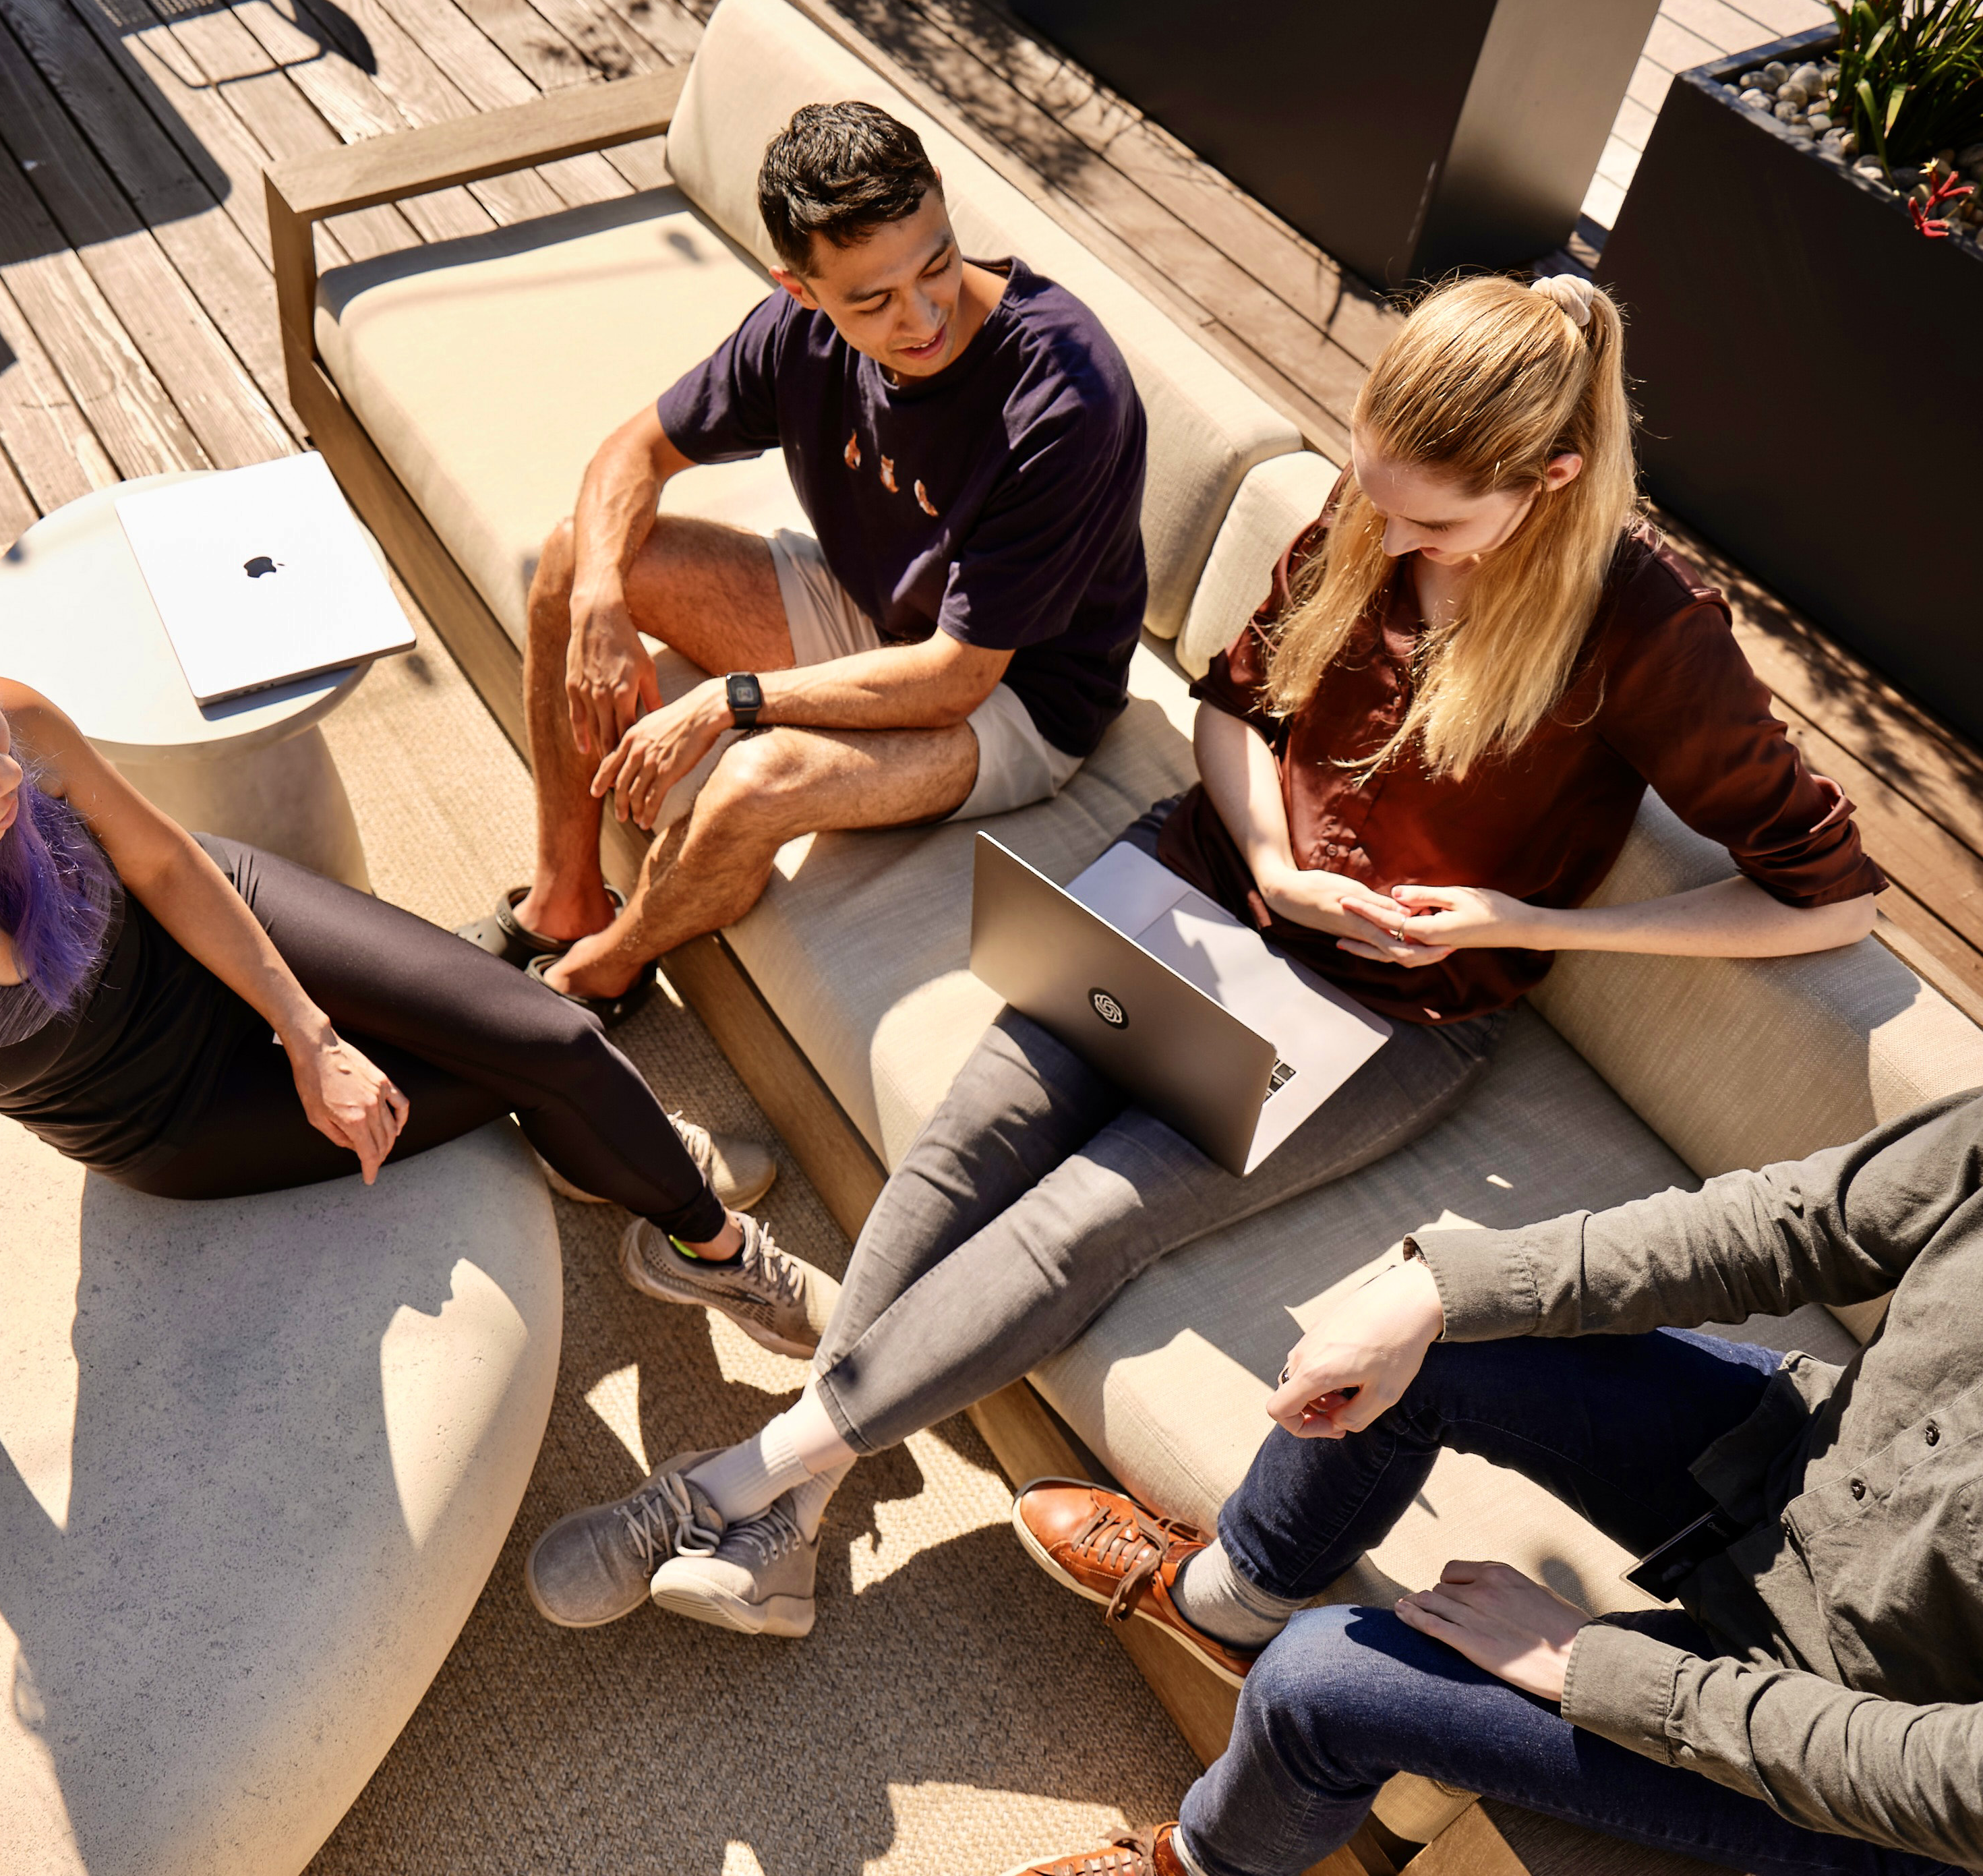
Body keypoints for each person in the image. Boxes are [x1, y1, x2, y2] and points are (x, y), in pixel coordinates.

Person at [520, 272, 1887, 1641]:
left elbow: (1831, 901)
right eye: (1376, 495)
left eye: (1435, 524)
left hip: (1389, 1010)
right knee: (967, 1140)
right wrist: (1274, 858)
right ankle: (792, 1520)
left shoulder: (1651, 630)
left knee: (1083, 1225)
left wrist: (1523, 924)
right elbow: (1233, 703)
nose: (1392, 535)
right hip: (1201, 882)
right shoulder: (1372, 510)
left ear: (1554, 478)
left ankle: (720, 1489)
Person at [0, 593, 825, 1453]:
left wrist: (312, 1035)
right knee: (535, 1070)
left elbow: (166, 860)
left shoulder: (12, 725)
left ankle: (700, 1244)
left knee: (561, 1040)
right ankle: (626, 1167)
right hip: (166, 1116)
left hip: (207, 920)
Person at [1002, 1090, 1983, 1876]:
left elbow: (1950, 1784)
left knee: (1318, 1682)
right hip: (1799, 1471)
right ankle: (1228, 1603)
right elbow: (1796, 1222)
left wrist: (1593, 1669)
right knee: (1444, 1336)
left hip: (1866, 1742)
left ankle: (1207, 1862)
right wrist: (1438, 1292)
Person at [458, 98, 1148, 1045]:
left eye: (937, 264)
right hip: (874, 611)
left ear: (945, 212)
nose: (923, 317)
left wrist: (731, 701)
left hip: (1015, 696)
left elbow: (955, 681)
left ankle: (593, 980)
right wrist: (600, 599)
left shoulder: (1064, 394)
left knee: (758, 779)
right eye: (873, 300)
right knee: (577, 555)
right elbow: (635, 453)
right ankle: (563, 900)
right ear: (800, 289)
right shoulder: (796, 335)